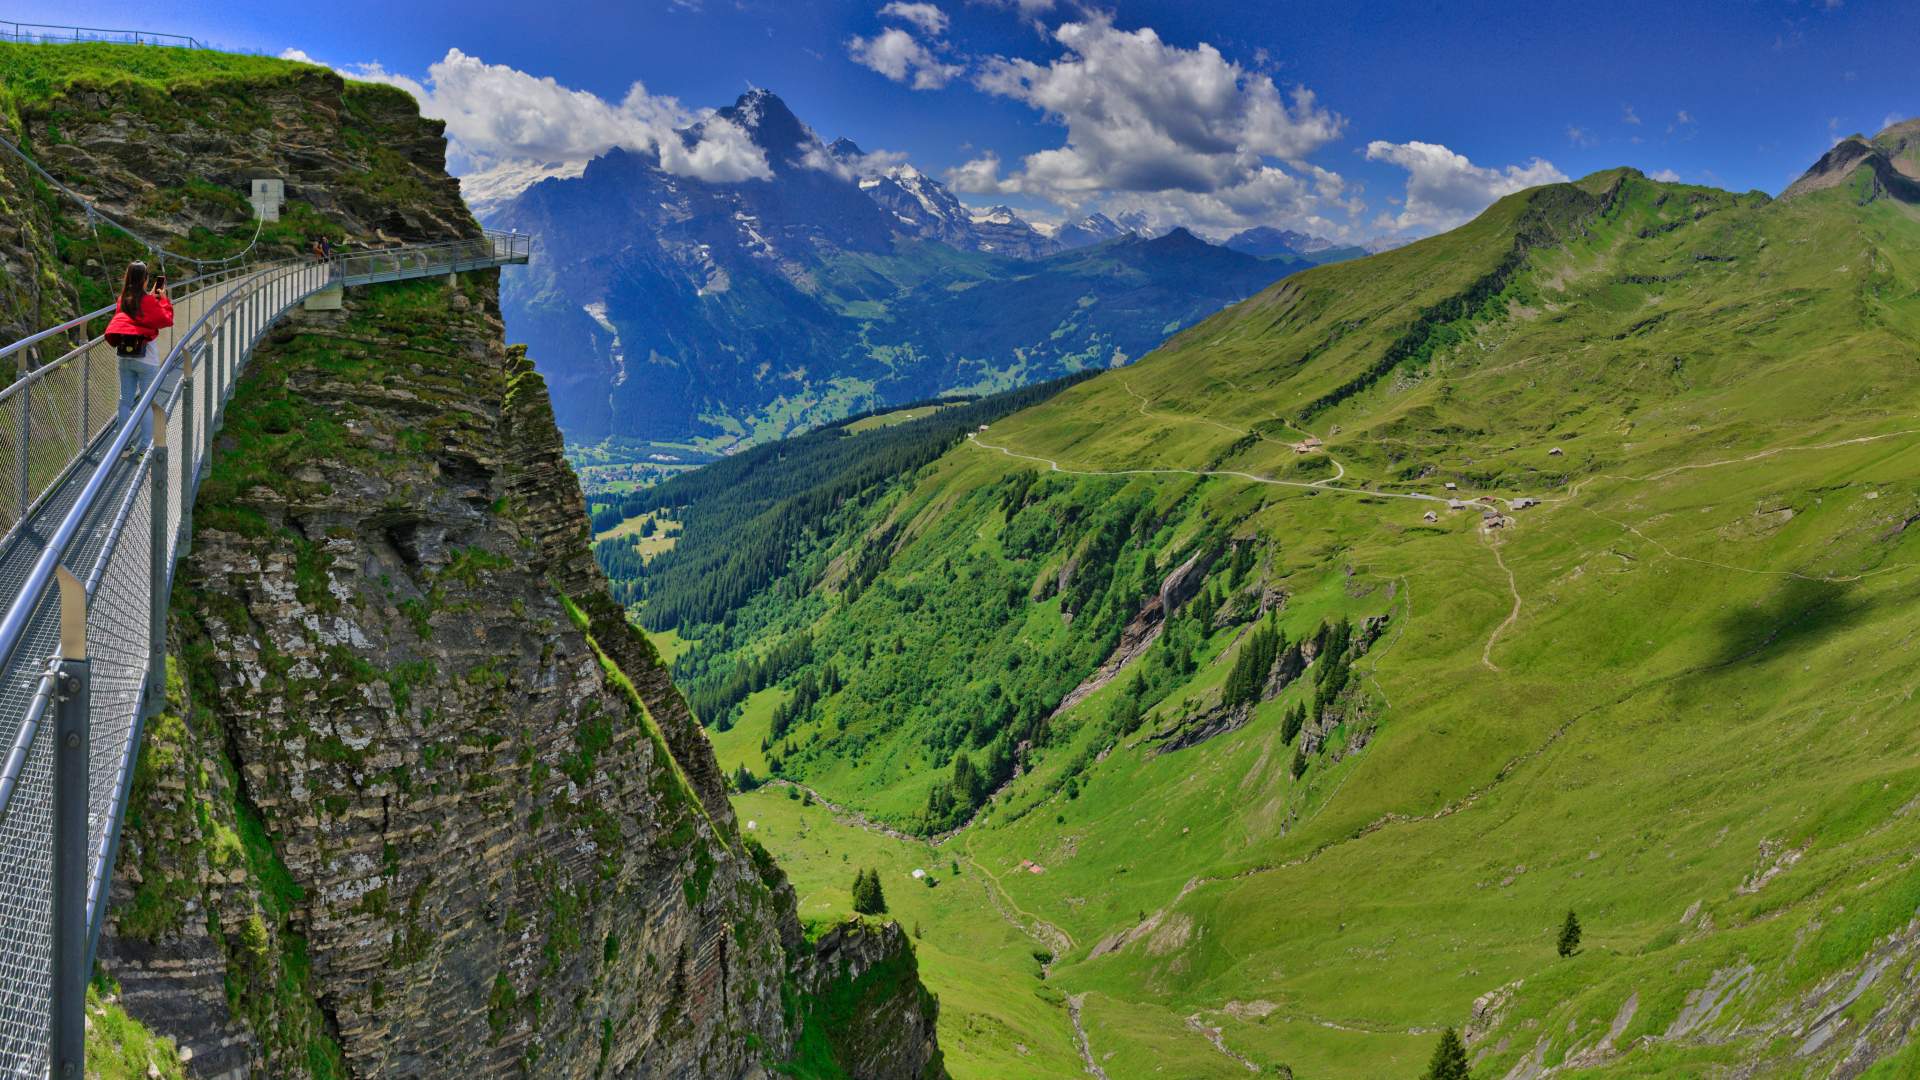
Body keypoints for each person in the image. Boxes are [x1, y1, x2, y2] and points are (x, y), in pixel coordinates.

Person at [101, 261, 173, 451]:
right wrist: (163, 300)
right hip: (146, 358)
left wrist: (150, 297)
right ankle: (144, 447)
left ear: (128, 277)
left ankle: (123, 446)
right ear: (145, 279)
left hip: (125, 356)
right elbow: (166, 319)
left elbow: (132, 317)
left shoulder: (122, 299)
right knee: (146, 403)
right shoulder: (149, 301)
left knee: (125, 401)